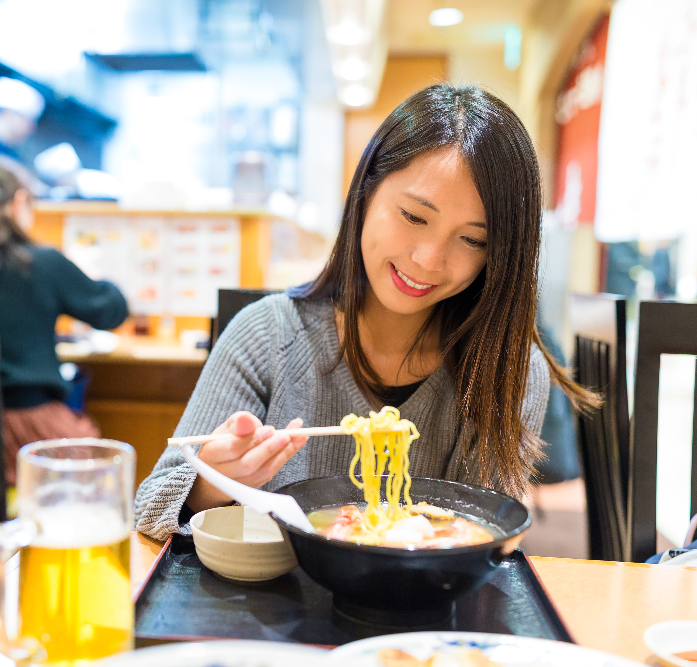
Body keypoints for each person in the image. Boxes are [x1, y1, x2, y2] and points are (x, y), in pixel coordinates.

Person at [135, 84, 596, 541]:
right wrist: (211, 482)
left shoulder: (508, 372)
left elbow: (484, 542)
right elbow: (151, 509)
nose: (429, 260)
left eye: (473, 240)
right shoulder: (268, 336)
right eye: (414, 217)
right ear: (366, 193)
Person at [0, 156, 128, 483]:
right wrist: (87, 273)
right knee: (93, 455)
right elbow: (111, 311)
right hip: (32, 430)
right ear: (19, 201)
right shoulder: (42, 264)